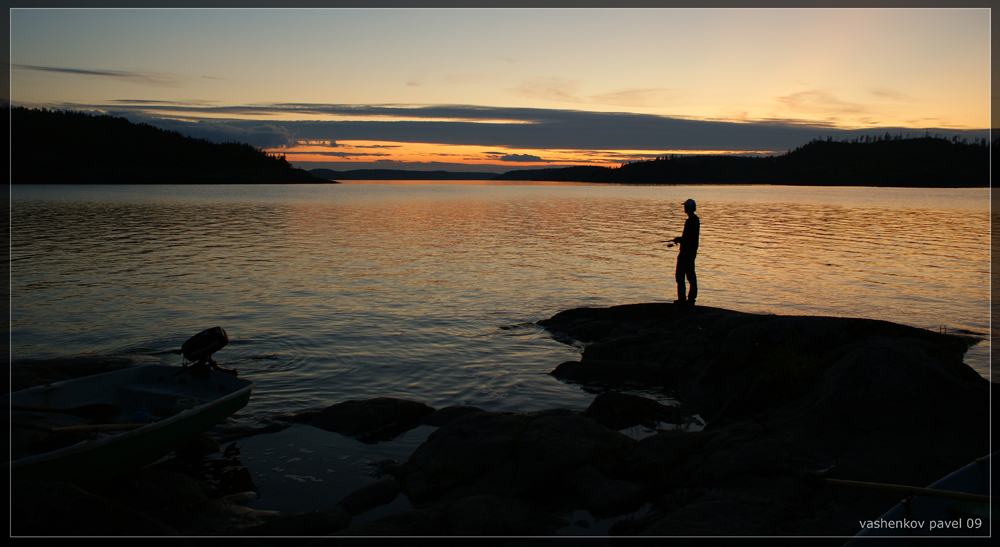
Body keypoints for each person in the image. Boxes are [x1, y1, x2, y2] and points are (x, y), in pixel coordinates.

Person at [671, 198, 699, 306]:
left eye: (685, 206)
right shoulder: (695, 220)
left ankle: (682, 300)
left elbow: (687, 238)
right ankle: (691, 299)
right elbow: (690, 238)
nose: (684, 208)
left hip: (686, 253)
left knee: (680, 276)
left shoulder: (690, 221)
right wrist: (680, 239)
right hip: (692, 252)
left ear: (688, 208)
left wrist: (678, 239)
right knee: (691, 275)